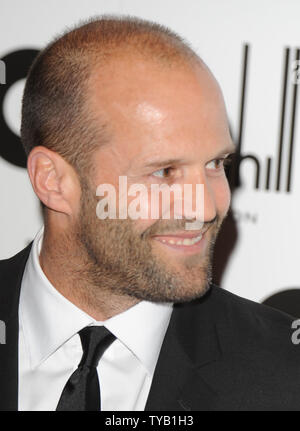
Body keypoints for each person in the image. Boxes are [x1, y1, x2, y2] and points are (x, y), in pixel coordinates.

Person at [0, 15, 299, 412]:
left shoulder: (285, 375)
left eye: (216, 164)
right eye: (164, 172)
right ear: (53, 181)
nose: (206, 207)